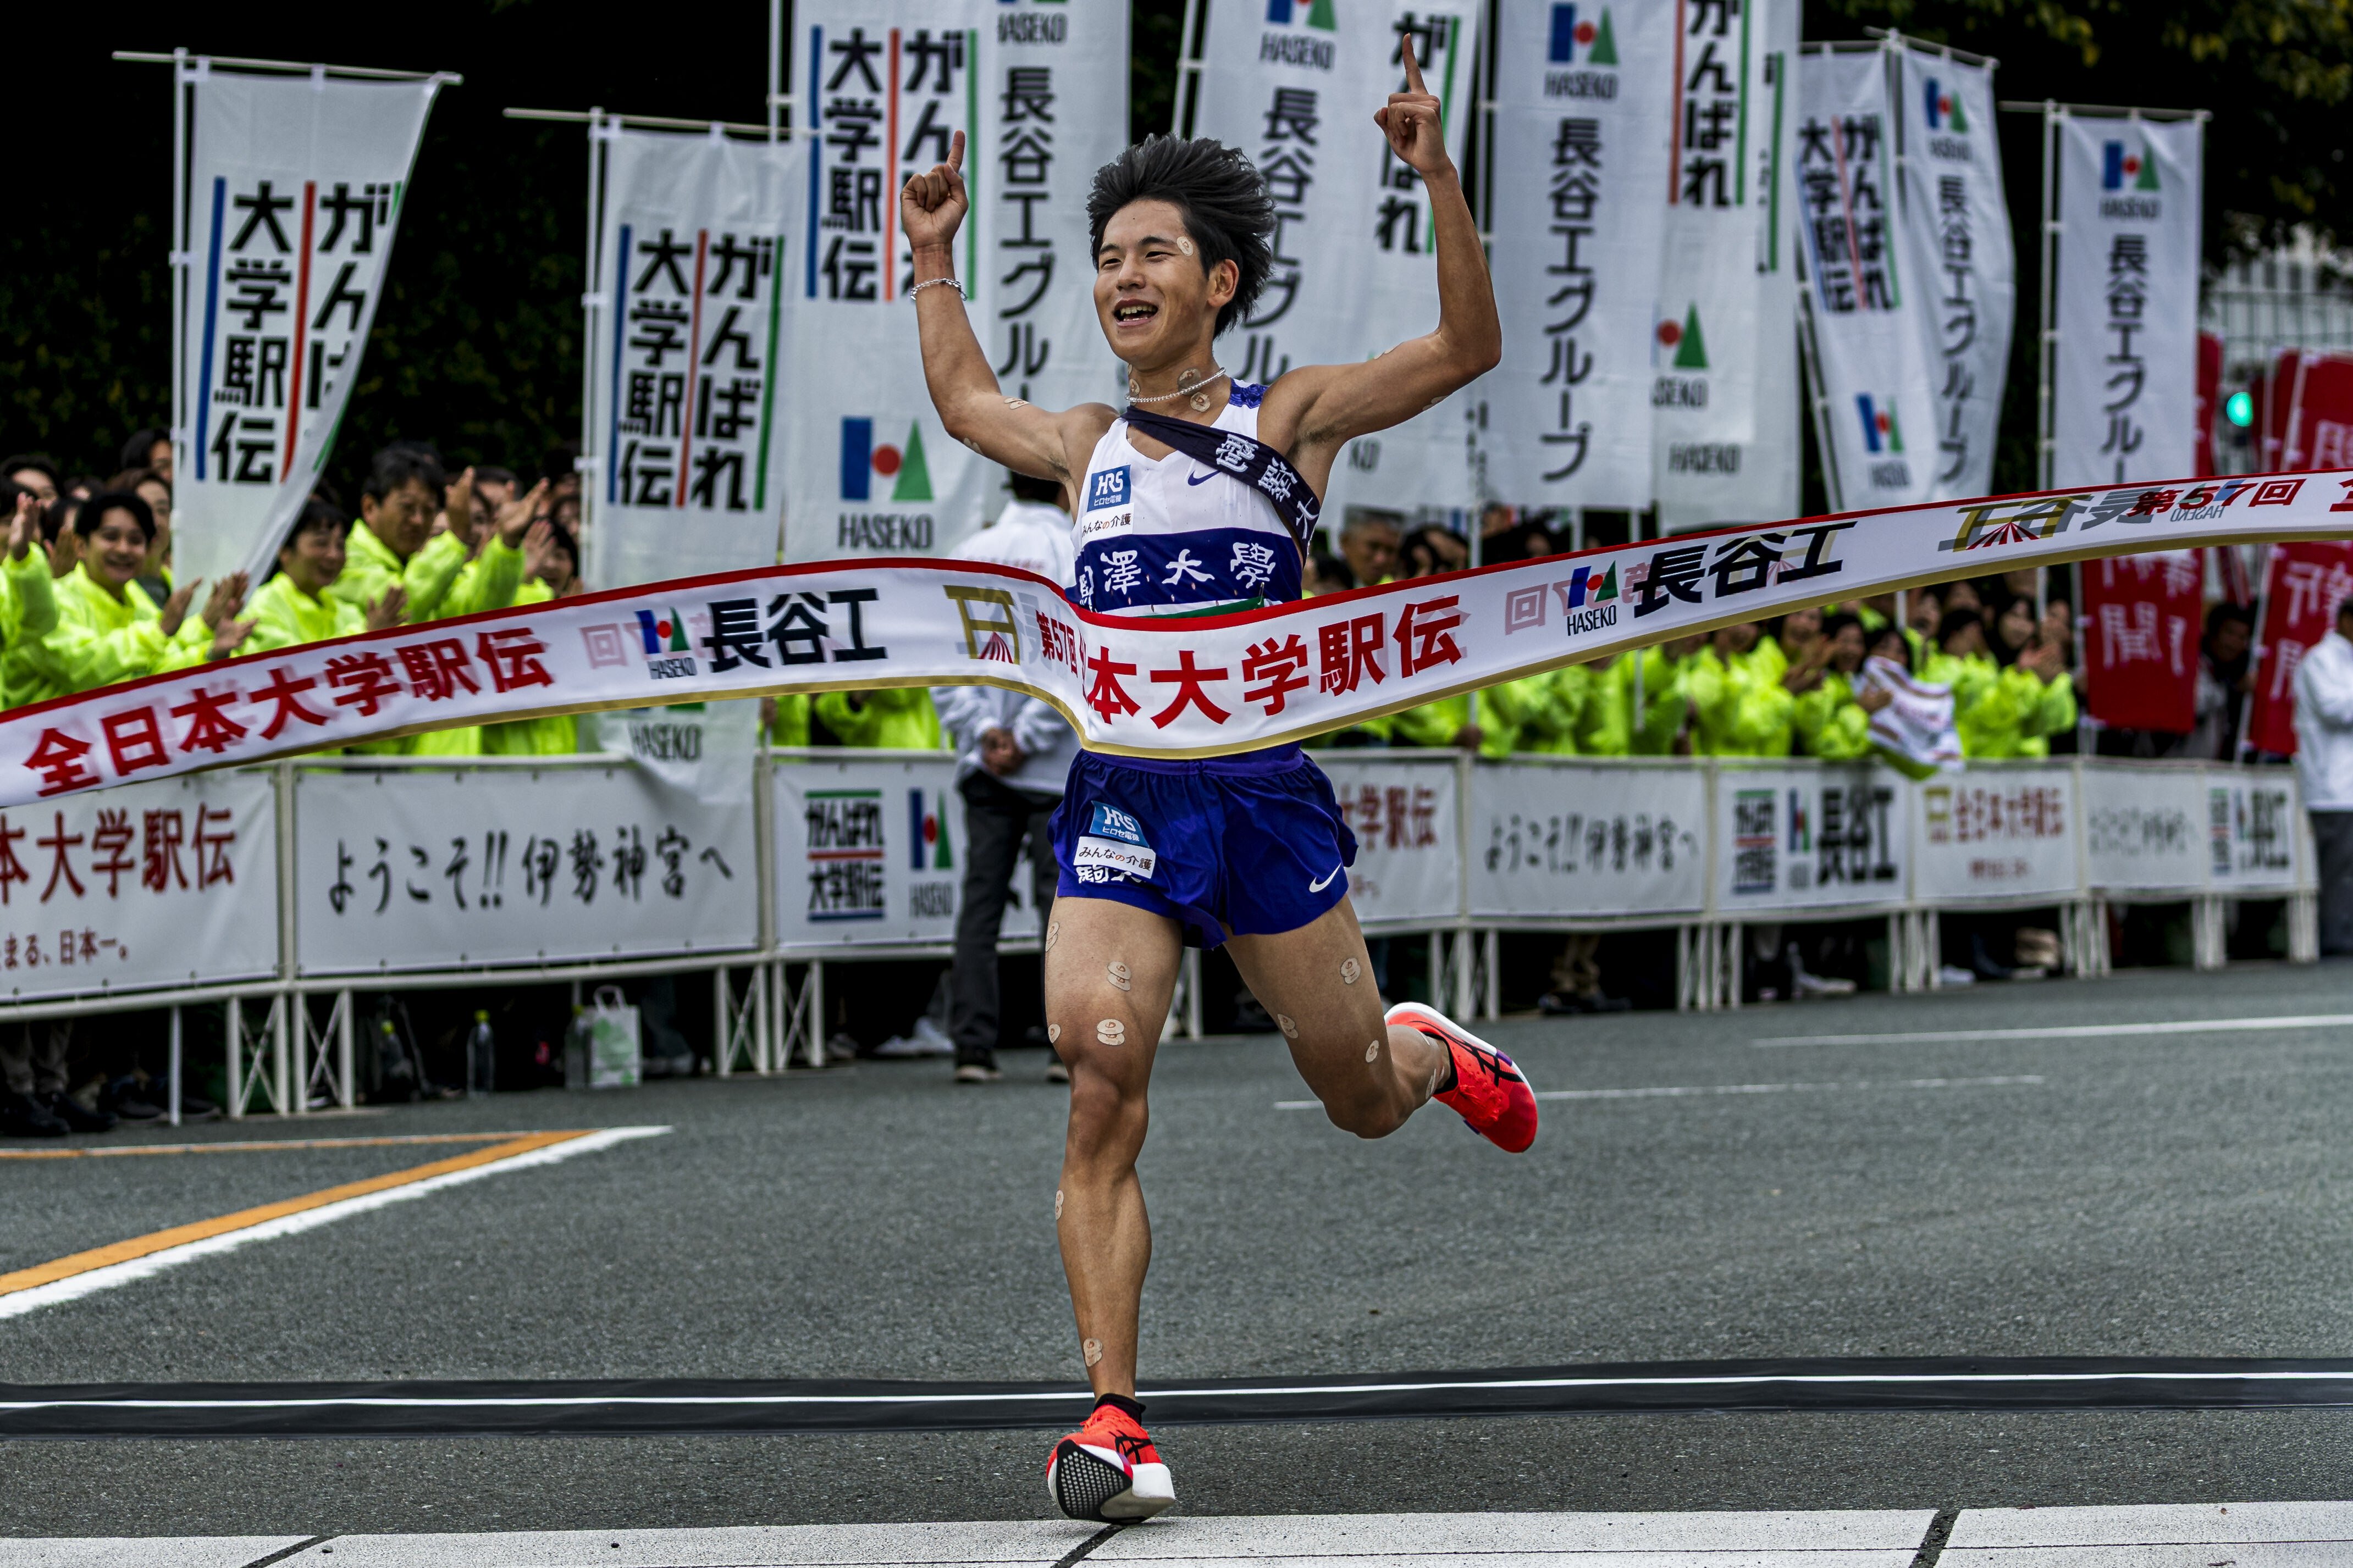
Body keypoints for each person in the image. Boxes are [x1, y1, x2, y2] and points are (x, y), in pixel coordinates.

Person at [899, 41, 1526, 1524]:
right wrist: (932, 257)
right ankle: (1115, 1417)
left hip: (1261, 794)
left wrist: (1435, 172)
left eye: (1153, 255)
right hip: (1121, 790)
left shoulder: (1286, 420)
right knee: (1098, 1060)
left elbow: (1467, 345)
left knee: (1358, 1096)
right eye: (1108, 258)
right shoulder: (1083, 444)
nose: (1123, 278)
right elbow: (963, 400)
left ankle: (1428, 1053)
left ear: (1218, 283)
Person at [934, 471, 1080, 1086]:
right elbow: (1076, 662)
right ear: (1059, 486)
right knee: (1065, 914)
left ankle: (972, 1048)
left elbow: (942, 658)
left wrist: (982, 732)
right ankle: (1066, 1049)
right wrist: (1026, 736)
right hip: (1052, 766)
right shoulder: (1075, 552)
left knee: (979, 907)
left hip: (984, 761)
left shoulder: (969, 550)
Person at [10, 490, 247, 706]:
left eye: (135, 541)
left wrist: (211, 650)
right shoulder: (54, 600)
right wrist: (161, 631)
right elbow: (82, 668)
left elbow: (156, 674)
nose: (124, 549)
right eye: (111, 537)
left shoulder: (140, 604)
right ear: (80, 545)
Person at [240, 500, 406, 655]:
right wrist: (367, 637)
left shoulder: (348, 612)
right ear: (284, 550)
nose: (334, 555)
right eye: (321, 543)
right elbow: (297, 666)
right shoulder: (261, 606)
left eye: (341, 546)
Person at [2292, 592, 2353, 954]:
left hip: (2347, 784)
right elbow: (2334, 708)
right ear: (2346, 620)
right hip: (2333, 786)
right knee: (2339, 871)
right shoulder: (2320, 659)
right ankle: (2336, 941)